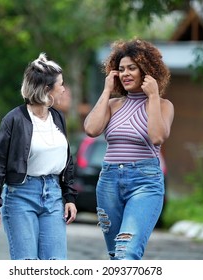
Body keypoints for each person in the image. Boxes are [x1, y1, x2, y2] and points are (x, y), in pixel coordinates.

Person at [84, 39, 174, 260]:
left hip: (145, 182)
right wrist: (107, 91)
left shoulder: (163, 105)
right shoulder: (113, 105)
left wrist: (153, 95)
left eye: (132, 68)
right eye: (121, 69)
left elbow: (157, 136)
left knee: (128, 251)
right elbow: (91, 129)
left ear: (147, 70)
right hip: (109, 181)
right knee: (116, 254)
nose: (125, 73)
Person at [0, 53, 78, 260]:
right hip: (21, 196)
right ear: (47, 89)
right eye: (61, 84)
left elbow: (67, 160)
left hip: (53, 197)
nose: (63, 89)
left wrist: (69, 197)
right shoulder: (14, 119)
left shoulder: (57, 118)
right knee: (26, 263)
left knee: (55, 262)